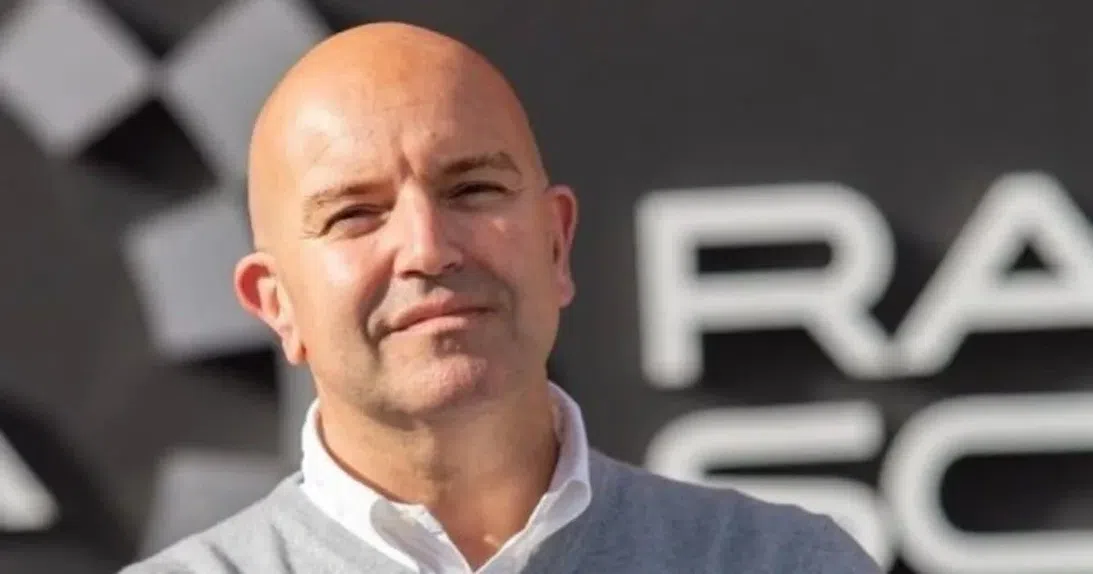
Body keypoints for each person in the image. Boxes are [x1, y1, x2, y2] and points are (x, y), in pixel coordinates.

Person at [120, 21, 880, 574]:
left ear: (556, 244)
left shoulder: (779, 562)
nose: (427, 248)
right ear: (275, 303)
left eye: (473, 189)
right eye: (355, 214)